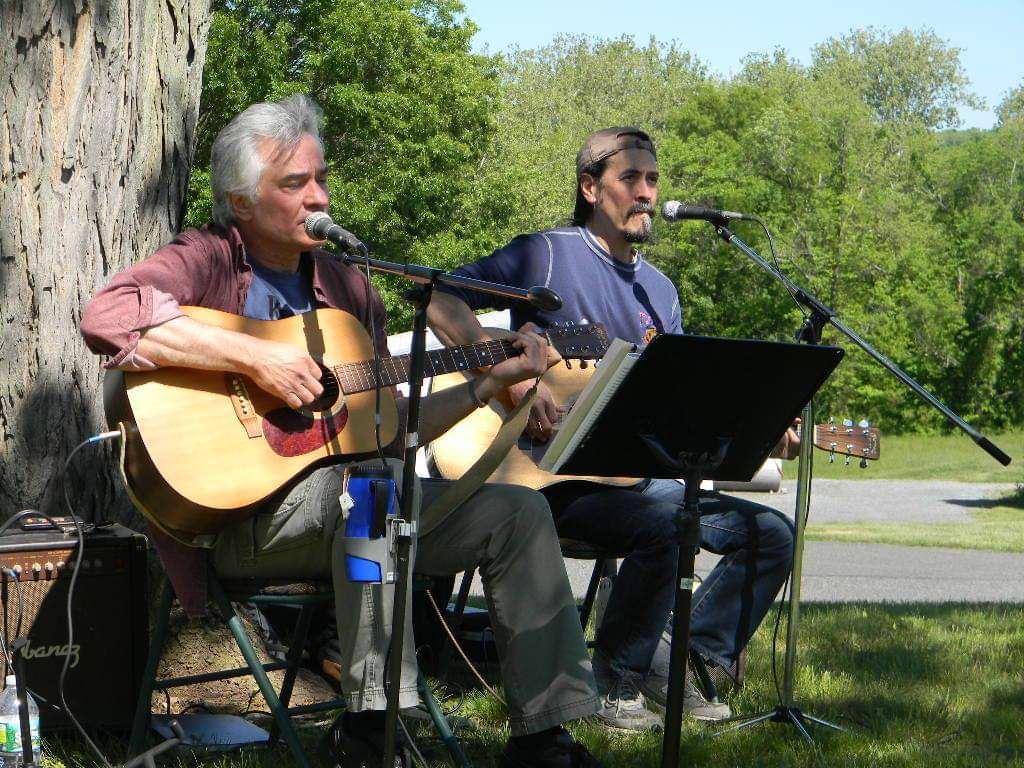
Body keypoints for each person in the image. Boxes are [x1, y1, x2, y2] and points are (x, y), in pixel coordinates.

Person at [81, 95, 604, 768]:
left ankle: (544, 737)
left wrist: (485, 385)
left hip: (359, 511)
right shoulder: (207, 258)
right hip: (243, 523)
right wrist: (256, 357)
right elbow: (108, 316)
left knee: (517, 512)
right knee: (375, 489)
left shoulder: (348, 286)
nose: (318, 197)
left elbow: (389, 427)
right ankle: (370, 730)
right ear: (241, 201)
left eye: (321, 179)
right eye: (294, 183)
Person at [427, 127, 797, 730]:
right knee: (666, 525)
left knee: (770, 534)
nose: (647, 192)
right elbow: (439, 296)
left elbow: (676, 408)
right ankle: (616, 682)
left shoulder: (661, 293)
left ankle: (678, 662)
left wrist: (756, 433)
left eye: (652, 179)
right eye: (631, 178)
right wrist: (510, 381)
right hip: (544, 476)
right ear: (590, 188)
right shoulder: (547, 254)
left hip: (631, 479)